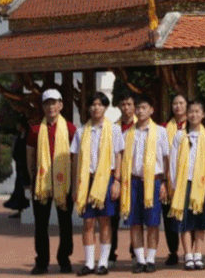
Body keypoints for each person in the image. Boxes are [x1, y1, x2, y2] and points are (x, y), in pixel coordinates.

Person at [70, 92, 124, 276]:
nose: (96, 108)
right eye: (93, 104)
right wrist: (74, 186)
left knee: (105, 222)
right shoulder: (81, 131)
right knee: (88, 222)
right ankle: (89, 263)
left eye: (100, 104)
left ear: (105, 107)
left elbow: (119, 155)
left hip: (107, 179)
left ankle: (103, 262)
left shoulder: (114, 130)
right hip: (86, 180)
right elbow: (75, 160)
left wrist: (117, 181)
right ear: (88, 108)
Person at [28, 88, 77, 275]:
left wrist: (74, 183)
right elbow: (30, 156)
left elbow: (75, 158)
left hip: (64, 183)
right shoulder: (35, 130)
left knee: (65, 223)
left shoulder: (71, 129)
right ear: (43, 106)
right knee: (41, 224)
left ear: (61, 105)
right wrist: (33, 179)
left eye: (54, 102)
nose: (51, 107)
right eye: (47, 103)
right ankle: (41, 261)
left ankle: (64, 259)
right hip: (42, 184)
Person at [120, 94, 171, 273]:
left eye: (144, 108)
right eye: (138, 108)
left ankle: (151, 259)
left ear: (151, 110)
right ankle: (140, 259)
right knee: (135, 222)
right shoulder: (127, 134)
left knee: (153, 222)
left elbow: (166, 159)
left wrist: (165, 182)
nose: (140, 111)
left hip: (155, 181)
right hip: (133, 182)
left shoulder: (161, 132)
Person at [167, 99, 205, 272]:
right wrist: (174, 185)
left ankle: (198, 254)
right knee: (184, 221)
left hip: (203, 183)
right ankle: (188, 255)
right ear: (187, 114)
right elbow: (173, 163)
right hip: (184, 183)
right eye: (191, 111)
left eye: (197, 111)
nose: (194, 115)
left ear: (203, 114)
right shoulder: (180, 135)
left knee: (200, 222)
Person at [109, 91, 137, 267]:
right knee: (112, 219)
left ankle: (135, 253)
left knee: (135, 219)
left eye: (129, 104)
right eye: (123, 104)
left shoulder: (141, 127)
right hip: (117, 177)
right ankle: (111, 254)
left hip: (134, 179)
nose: (126, 108)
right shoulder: (113, 128)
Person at [163, 92, 188, 267]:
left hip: (188, 178)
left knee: (188, 217)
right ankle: (173, 251)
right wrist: (165, 180)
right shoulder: (164, 128)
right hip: (170, 178)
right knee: (170, 218)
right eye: (175, 103)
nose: (178, 106)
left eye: (181, 103)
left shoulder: (194, 127)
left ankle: (191, 252)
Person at [6, 116, 32, 219]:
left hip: (26, 166)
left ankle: (26, 208)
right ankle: (20, 209)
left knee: (25, 187)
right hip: (19, 166)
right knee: (19, 188)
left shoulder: (28, 136)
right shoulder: (18, 136)